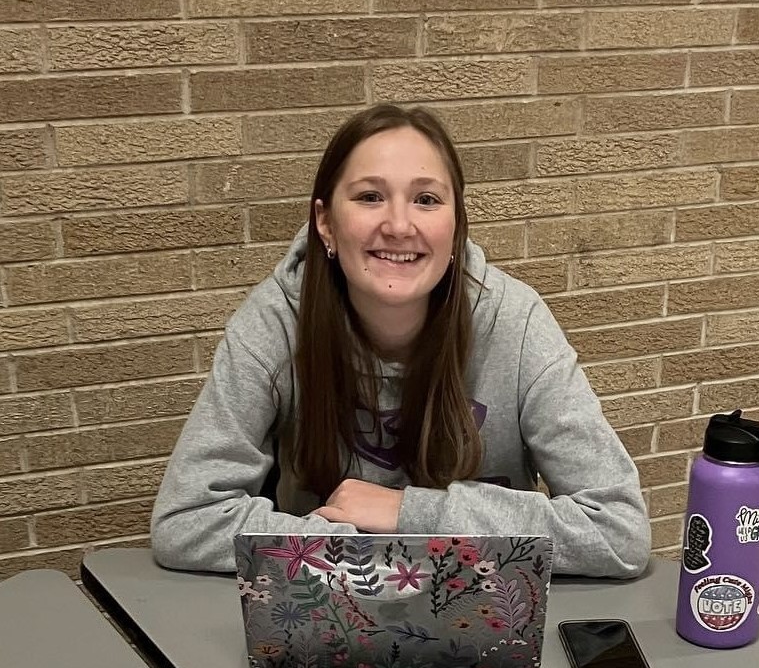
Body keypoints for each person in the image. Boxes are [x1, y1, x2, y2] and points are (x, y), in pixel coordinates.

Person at [151, 103, 650, 581]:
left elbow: (618, 529)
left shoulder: (516, 323)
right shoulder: (276, 322)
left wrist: (413, 514)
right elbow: (186, 520)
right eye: (370, 196)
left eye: (426, 199)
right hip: (321, 615)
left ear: (455, 226)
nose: (398, 225)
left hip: (490, 619)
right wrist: (349, 546)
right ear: (325, 221)